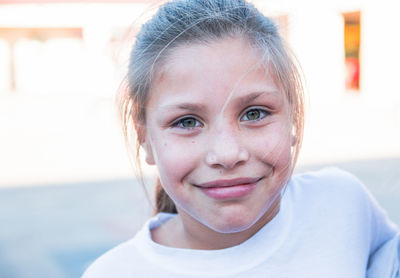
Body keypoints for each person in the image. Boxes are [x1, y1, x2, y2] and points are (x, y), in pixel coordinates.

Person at [83, 0, 398, 277]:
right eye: (187, 121)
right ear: (145, 139)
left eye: (255, 113)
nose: (227, 153)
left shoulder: (342, 203)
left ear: (293, 118)